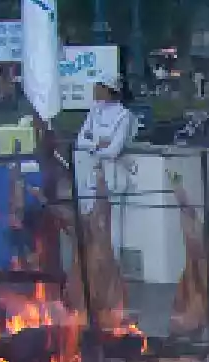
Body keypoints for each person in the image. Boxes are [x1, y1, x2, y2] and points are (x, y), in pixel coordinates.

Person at [74, 74, 135, 254]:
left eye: (98, 85)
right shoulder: (94, 111)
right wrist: (97, 144)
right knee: (92, 220)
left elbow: (114, 150)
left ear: (108, 89)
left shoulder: (124, 116)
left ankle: (114, 265)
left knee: (113, 223)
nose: (94, 89)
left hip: (114, 177)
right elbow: (80, 140)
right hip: (94, 177)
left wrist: (95, 145)